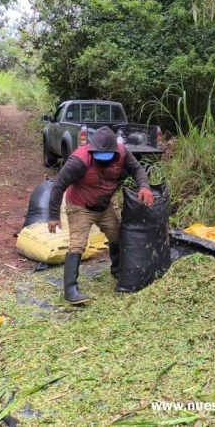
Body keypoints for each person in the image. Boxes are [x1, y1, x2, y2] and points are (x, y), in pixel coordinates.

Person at [48, 127, 154, 303]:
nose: (103, 161)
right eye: (99, 157)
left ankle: (118, 270)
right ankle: (70, 289)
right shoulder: (79, 160)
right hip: (80, 206)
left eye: (107, 157)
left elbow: (137, 169)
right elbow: (58, 185)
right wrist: (53, 216)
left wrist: (144, 186)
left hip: (104, 206)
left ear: (115, 151)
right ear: (92, 149)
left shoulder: (122, 152)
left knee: (117, 236)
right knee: (77, 244)